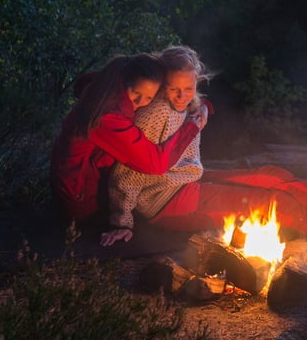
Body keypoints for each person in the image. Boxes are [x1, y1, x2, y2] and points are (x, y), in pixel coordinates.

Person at [101, 45, 307, 247]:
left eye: (188, 88)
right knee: (272, 203)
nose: (181, 96)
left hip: (186, 182)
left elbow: (196, 106)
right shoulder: (155, 113)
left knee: (270, 174)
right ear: (160, 85)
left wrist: (204, 108)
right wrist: (123, 221)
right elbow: (126, 173)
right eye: (173, 89)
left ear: (198, 82)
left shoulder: (187, 104)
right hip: (167, 203)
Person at [50, 52, 208, 222]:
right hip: (81, 198)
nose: (141, 102)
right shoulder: (106, 116)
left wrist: (202, 106)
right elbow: (155, 164)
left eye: (149, 97)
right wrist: (192, 126)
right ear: (126, 82)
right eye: (136, 93)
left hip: (85, 184)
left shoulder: (107, 88)